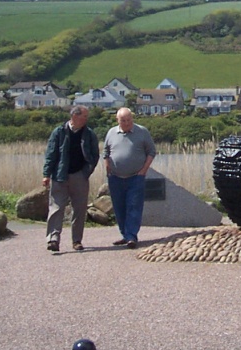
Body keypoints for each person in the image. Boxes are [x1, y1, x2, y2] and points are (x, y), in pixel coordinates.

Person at [43, 105, 99, 252]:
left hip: (80, 176)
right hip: (59, 176)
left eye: (87, 117)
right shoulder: (59, 132)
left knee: (79, 209)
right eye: (84, 116)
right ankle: (53, 239)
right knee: (56, 207)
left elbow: (94, 155)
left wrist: (86, 172)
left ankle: (77, 241)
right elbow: (51, 154)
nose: (86, 119)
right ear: (74, 116)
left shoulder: (89, 134)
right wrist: (46, 174)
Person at [104, 107, 157, 249]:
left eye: (129, 120)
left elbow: (151, 151)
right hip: (115, 177)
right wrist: (108, 168)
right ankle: (125, 234)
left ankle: (132, 235)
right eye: (123, 120)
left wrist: (144, 170)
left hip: (135, 177)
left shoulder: (142, 132)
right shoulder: (111, 133)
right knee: (119, 207)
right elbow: (106, 152)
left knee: (134, 206)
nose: (126, 123)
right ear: (117, 120)